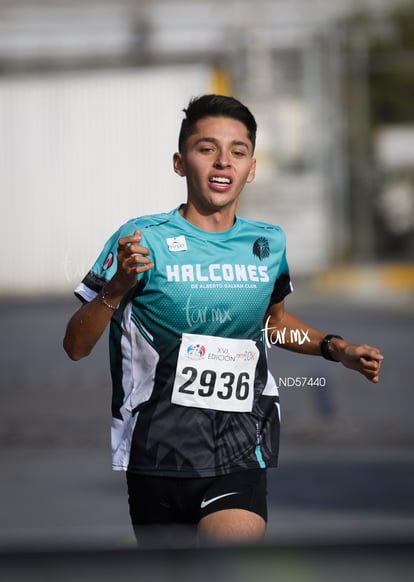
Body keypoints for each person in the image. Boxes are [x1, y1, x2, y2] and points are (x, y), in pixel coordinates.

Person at [63, 94, 383, 548]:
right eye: (206, 148)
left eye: (237, 151)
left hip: (240, 449)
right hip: (156, 456)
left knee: (225, 576)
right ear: (180, 162)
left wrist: (337, 348)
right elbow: (75, 346)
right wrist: (115, 289)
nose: (223, 162)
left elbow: (274, 325)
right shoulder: (139, 239)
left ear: (251, 168)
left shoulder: (268, 243)